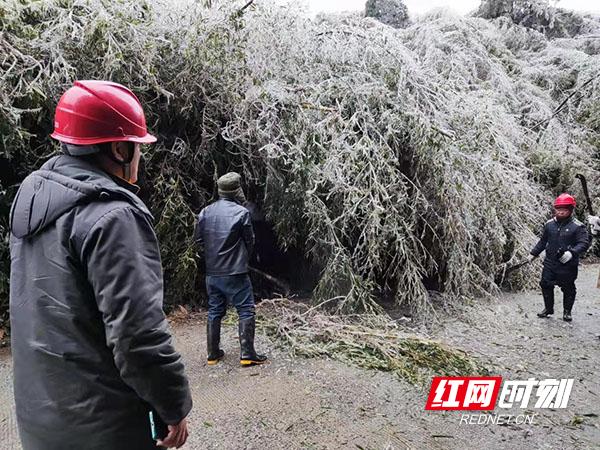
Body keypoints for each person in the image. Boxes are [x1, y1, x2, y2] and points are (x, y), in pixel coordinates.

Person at [9, 80, 192, 450]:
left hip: (42, 423)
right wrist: (174, 405)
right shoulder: (112, 218)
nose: (140, 155)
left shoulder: (33, 202)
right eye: (137, 146)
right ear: (119, 148)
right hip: (105, 429)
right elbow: (137, 336)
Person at [194, 172, 267, 366]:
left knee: (215, 310)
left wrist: (212, 258)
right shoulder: (241, 213)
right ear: (237, 190)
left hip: (212, 273)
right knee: (246, 310)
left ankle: (213, 354)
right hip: (235, 272)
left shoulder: (205, 212)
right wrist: (242, 258)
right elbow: (250, 241)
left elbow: (199, 241)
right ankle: (247, 354)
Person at [528, 193, 590, 322]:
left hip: (567, 264)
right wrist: (533, 254)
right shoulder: (549, 225)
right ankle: (548, 309)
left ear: (571, 210)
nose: (561, 212)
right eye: (558, 209)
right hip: (550, 262)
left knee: (568, 288)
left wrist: (572, 253)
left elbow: (583, 243)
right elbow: (543, 241)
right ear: (555, 209)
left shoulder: (578, 226)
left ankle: (567, 312)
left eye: (564, 210)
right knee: (545, 284)